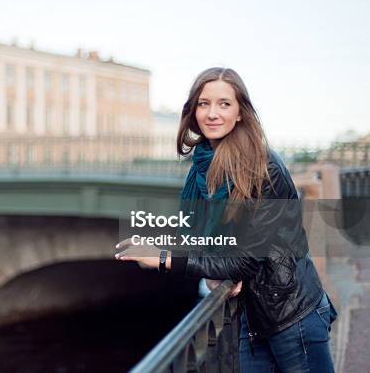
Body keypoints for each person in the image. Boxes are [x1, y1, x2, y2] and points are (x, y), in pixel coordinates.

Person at [115, 67, 337, 372]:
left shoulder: (262, 167)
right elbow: (214, 242)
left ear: (240, 113)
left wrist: (163, 257)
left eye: (224, 104)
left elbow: (243, 261)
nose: (212, 114)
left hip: (292, 316)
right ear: (193, 112)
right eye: (204, 104)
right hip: (253, 315)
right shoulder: (204, 164)